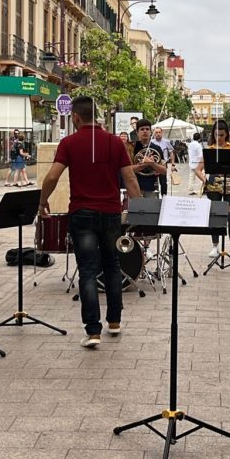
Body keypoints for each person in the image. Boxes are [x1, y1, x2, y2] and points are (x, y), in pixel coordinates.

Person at [39, 96, 141, 348]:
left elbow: (52, 176)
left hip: (82, 213)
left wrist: (42, 201)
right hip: (110, 213)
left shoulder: (69, 143)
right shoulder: (114, 143)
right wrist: (139, 209)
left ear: (75, 117)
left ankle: (93, 331)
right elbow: (130, 179)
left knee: (87, 270)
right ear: (96, 115)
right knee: (112, 265)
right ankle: (114, 322)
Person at [197, 120, 230, 259]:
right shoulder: (210, 150)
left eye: (222, 135)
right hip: (214, 185)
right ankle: (215, 246)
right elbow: (198, 169)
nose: (219, 138)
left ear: (226, 134)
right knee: (215, 216)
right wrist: (205, 181)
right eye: (217, 135)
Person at [131, 120, 168, 198]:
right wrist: (144, 165)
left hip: (152, 187)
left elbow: (164, 171)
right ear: (137, 132)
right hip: (135, 187)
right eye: (142, 129)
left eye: (147, 129)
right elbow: (127, 170)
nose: (145, 131)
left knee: (151, 209)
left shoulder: (157, 148)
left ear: (151, 132)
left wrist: (152, 163)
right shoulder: (131, 148)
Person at [152, 128, 175, 196]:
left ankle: (164, 197)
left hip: (163, 164)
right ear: (154, 133)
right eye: (156, 132)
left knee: (163, 183)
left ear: (162, 133)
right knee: (154, 182)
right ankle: (155, 197)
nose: (158, 134)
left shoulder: (166, 142)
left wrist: (173, 164)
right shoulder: (151, 142)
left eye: (159, 132)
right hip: (154, 164)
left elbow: (171, 153)